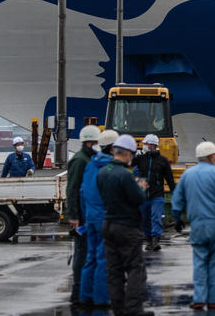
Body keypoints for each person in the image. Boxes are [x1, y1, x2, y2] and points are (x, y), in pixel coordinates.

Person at [172, 141, 215, 311]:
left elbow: (177, 199)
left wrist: (177, 217)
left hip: (197, 225)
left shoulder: (187, 175)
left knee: (199, 262)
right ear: (210, 156)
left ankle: (199, 299)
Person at [97, 134, 153, 316]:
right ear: (128, 153)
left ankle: (119, 310)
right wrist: (141, 188)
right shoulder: (125, 175)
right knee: (136, 269)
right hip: (127, 226)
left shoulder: (103, 173)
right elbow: (138, 199)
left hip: (108, 224)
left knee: (114, 272)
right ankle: (134, 311)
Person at [80, 129, 119, 309]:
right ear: (112, 149)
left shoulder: (91, 164)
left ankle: (85, 296)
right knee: (105, 260)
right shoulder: (110, 167)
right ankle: (101, 300)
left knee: (91, 258)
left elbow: (82, 192)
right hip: (106, 217)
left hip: (91, 217)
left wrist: (85, 214)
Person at [66, 125, 101, 307]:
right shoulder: (80, 161)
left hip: (87, 213)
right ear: (89, 142)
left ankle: (84, 289)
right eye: (96, 142)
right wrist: (73, 216)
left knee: (87, 252)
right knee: (81, 252)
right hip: (81, 216)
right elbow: (72, 189)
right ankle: (77, 290)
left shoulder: (89, 158)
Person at [132, 134, 176, 252]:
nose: (144, 146)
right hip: (143, 195)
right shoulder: (141, 159)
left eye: (145, 144)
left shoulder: (163, 161)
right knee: (145, 218)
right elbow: (128, 163)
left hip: (157, 195)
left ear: (152, 145)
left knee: (156, 217)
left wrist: (175, 193)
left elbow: (170, 179)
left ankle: (156, 240)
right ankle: (149, 239)